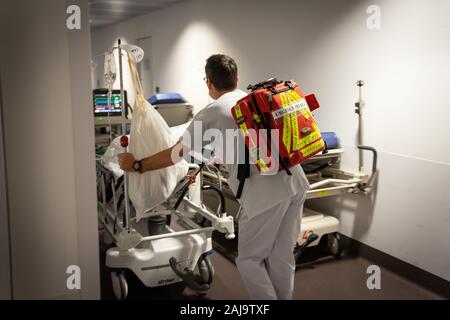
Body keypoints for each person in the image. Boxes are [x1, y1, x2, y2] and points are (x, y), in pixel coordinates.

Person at [118, 54, 309, 300]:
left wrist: (137, 164)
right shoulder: (254, 99)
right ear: (237, 78)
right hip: (296, 182)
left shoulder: (212, 112)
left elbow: (176, 155)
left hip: (265, 194)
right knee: (282, 255)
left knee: (250, 260)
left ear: (208, 82)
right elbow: (246, 141)